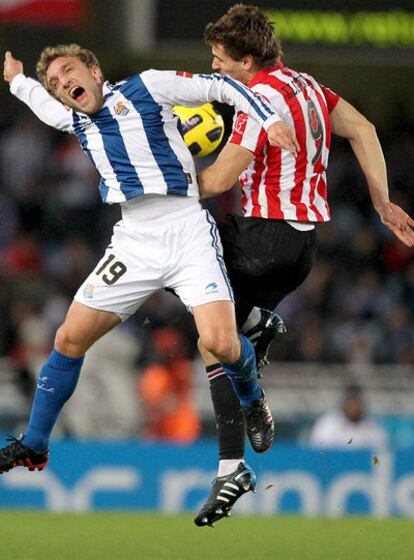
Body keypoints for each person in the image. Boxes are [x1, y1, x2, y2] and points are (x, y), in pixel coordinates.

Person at [0, 44, 300, 475]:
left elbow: (221, 86)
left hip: (186, 229)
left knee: (219, 343)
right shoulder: (76, 119)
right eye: (55, 82)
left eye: (68, 71)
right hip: (134, 241)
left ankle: (253, 399)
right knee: (68, 339)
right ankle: (35, 443)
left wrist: (269, 121)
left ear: (94, 68)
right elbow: (42, 105)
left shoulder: (148, 86)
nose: (63, 83)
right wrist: (18, 81)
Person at [193, 4, 414, 527]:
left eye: (221, 59)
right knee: (211, 332)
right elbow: (363, 128)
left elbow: (221, 178)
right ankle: (235, 442)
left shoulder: (258, 97)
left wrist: (165, 186)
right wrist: (382, 202)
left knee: (180, 267)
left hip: (263, 236)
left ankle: (233, 458)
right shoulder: (308, 86)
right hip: (299, 249)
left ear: (247, 59)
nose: (216, 67)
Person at [309, 384, 388, 449]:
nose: (354, 407)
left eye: (356, 402)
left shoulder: (372, 427)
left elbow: (381, 452)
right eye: (350, 402)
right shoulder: (328, 424)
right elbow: (318, 451)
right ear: (344, 403)